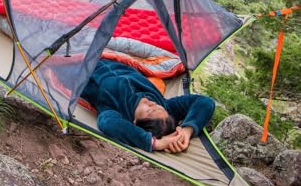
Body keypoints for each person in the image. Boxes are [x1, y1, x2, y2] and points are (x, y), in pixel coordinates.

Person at [80, 58, 215, 153]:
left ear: (135, 121)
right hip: (115, 58)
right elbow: (205, 102)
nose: (152, 103)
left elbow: (107, 124)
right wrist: (187, 130)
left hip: (84, 64)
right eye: (158, 107)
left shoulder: (115, 110)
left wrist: (155, 143)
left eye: (149, 111)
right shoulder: (164, 107)